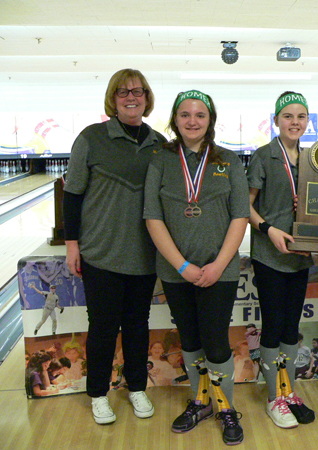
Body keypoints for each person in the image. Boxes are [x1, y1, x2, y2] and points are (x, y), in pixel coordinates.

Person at [144, 89, 249, 445]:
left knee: (216, 342)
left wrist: (219, 264)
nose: (192, 121)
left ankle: (227, 407)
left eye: (200, 115)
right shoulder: (160, 160)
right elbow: (152, 217)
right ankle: (201, 401)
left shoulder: (230, 161)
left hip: (220, 270)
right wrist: (182, 265)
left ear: (210, 120)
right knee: (189, 339)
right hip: (176, 271)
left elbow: (240, 215)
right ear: (175, 120)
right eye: (185, 114)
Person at [63, 68, 164, 425]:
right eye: (123, 92)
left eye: (138, 91)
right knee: (103, 327)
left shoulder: (159, 143)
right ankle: (98, 394)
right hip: (101, 252)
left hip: (143, 254)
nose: (131, 97)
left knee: (138, 324)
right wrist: (71, 243)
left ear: (147, 98)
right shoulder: (91, 138)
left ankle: (136, 387)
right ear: (113, 99)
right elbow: (72, 194)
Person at [247, 91, 316, 428]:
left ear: (307, 121)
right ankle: (274, 397)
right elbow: (245, 207)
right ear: (276, 120)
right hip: (270, 255)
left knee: (292, 328)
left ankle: (288, 392)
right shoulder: (264, 156)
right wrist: (269, 229)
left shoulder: (314, 159)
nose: (294, 122)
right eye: (288, 116)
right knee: (274, 326)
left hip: (301, 257)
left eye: (301, 116)